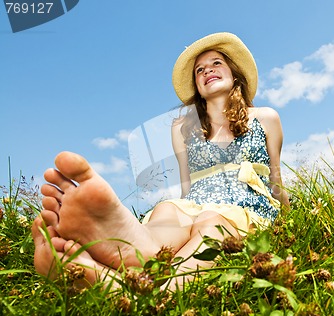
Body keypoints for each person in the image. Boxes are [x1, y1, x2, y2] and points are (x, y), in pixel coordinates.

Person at [31, 32, 290, 289]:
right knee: (169, 212)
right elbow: (187, 185)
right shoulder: (183, 128)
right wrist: (182, 212)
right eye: (199, 70)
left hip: (245, 208)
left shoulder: (265, 118)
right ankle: (138, 246)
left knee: (212, 223)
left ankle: (123, 281)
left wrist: (288, 221)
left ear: (234, 74)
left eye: (216, 63)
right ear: (197, 88)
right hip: (195, 204)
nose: (207, 71)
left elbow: (275, 178)